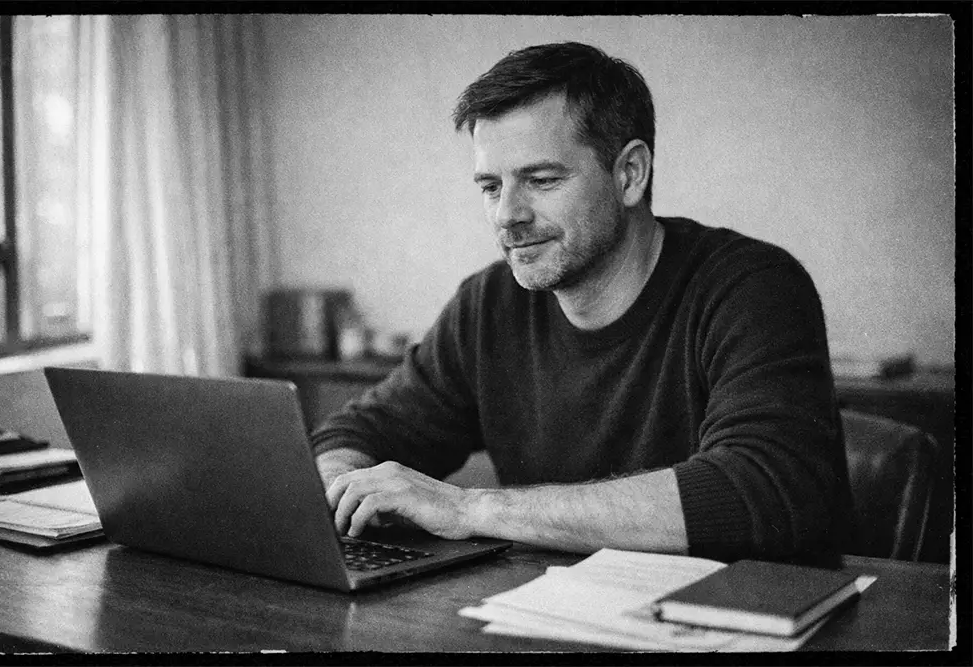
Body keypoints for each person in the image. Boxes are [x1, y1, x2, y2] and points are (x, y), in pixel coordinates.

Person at [312, 42, 852, 564]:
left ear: (629, 174)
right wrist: (344, 490)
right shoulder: (489, 304)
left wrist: (467, 508)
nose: (507, 214)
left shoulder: (753, 287)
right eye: (490, 187)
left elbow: (763, 489)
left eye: (541, 180)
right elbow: (354, 435)